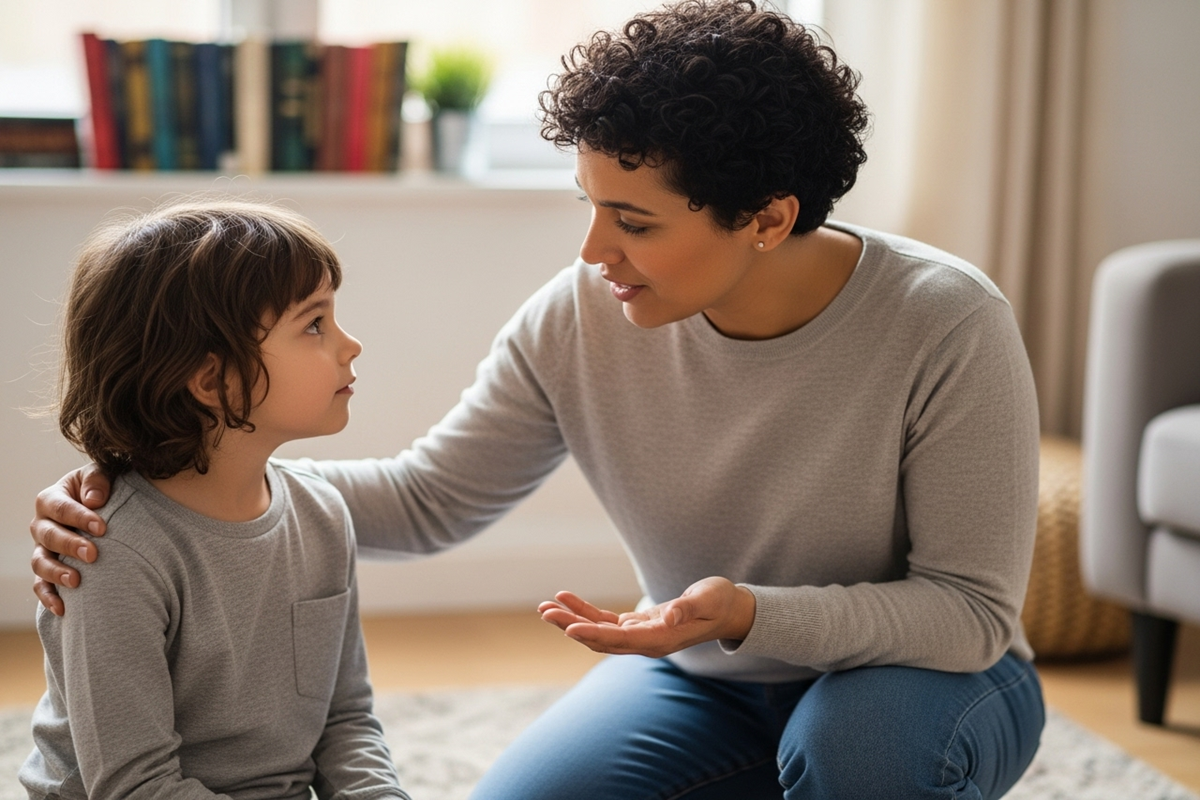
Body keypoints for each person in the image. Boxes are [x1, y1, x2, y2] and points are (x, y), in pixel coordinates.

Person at [29, 2, 1045, 798]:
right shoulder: (586, 312)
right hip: (703, 674)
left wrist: (745, 611)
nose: (594, 251)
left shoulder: (945, 321)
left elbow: (966, 615)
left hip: (926, 676)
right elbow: (428, 498)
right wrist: (165, 488)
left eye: (634, 222)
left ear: (768, 219)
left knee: (855, 753)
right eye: (590, 207)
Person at [20, 201, 410, 800]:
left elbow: (346, 719)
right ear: (212, 381)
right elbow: (135, 786)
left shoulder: (323, 515)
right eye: (315, 324)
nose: (350, 344)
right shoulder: (114, 555)